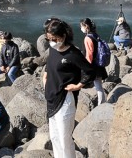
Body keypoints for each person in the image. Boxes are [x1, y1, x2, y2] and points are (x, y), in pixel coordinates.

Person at [43, 19, 96, 158]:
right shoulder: (52, 49)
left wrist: (79, 85)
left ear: (64, 36)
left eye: (55, 38)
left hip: (65, 99)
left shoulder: (73, 54)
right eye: (49, 39)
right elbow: (50, 65)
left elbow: (90, 71)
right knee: (54, 137)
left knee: (65, 139)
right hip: (51, 97)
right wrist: (46, 75)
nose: (52, 41)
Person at [79, 18, 107, 104]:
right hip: (99, 63)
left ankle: (101, 103)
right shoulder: (95, 35)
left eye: (81, 26)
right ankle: (102, 101)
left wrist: (87, 67)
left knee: (98, 86)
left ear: (86, 26)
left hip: (93, 65)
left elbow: (89, 53)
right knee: (98, 84)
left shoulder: (87, 38)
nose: (81, 28)